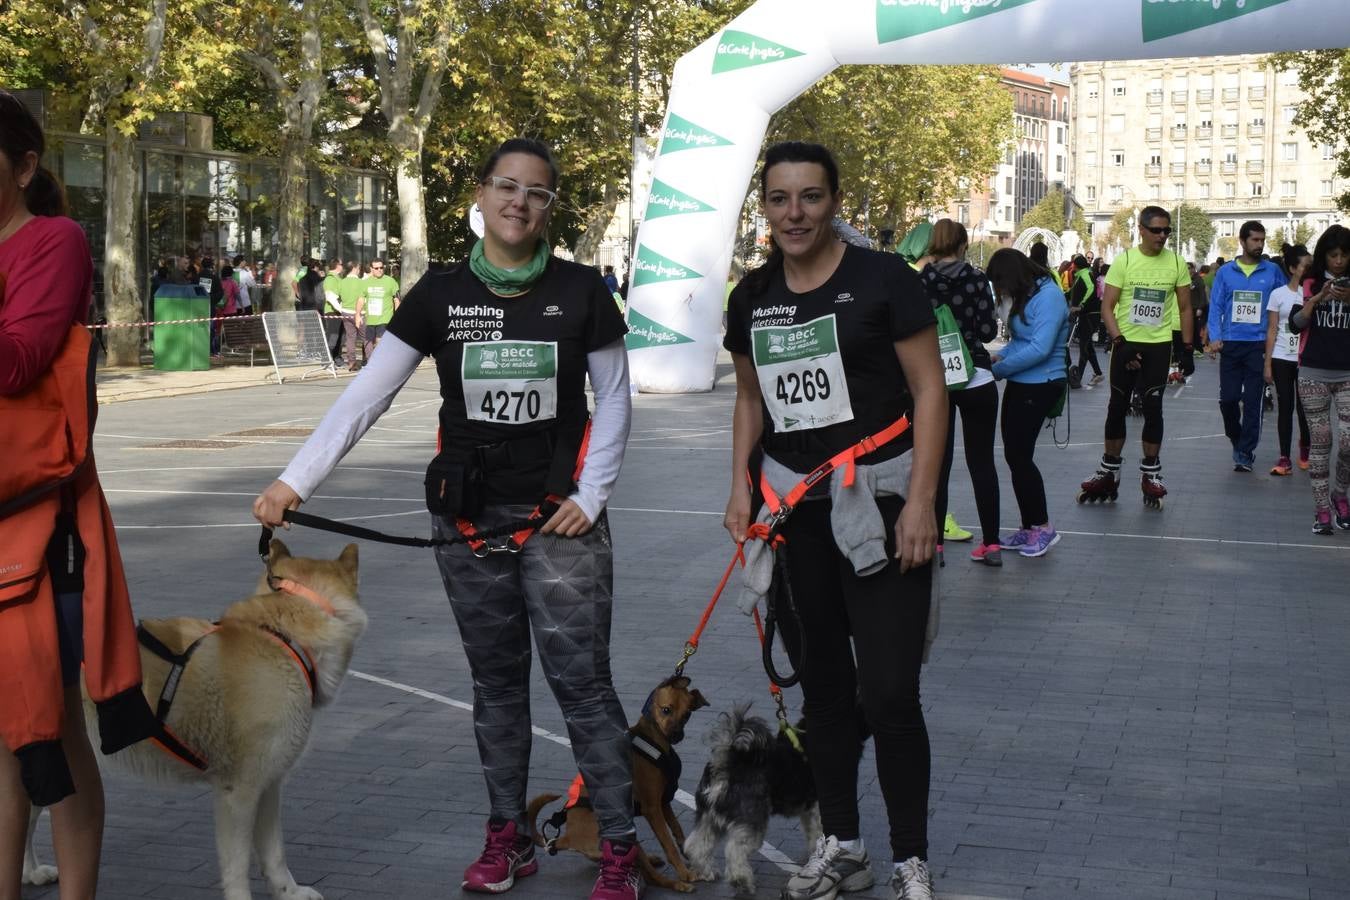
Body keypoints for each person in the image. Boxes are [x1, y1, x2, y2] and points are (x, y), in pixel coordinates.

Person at [252, 138, 643, 900]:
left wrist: (590, 496)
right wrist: (292, 481)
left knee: (582, 687)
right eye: (507, 186)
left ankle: (620, 846)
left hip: (559, 520)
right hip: (468, 526)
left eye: (536, 192)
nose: (520, 202)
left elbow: (618, 397)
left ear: (548, 206)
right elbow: (368, 395)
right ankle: (508, 838)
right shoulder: (438, 294)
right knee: (496, 686)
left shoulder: (582, 290)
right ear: (482, 192)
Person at [722, 141, 945, 900]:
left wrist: (921, 501)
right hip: (793, 514)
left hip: (881, 506)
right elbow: (750, 400)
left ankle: (911, 856)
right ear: (766, 207)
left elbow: (931, 391)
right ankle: (843, 845)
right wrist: (738, 492)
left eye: (810, 197)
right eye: (780, 199)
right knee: (822, 690)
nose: (795, 213)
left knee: (887, 692)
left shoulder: (884, 279)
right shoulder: (752, 297)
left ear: (834, 201)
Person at [0, 88, 157, 900]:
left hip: (38, 526)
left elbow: (20, 361)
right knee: (6, 734)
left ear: (24, 166)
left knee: (55, 730)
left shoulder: (52, 241)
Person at [1080, 206, 1192, 509]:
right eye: (1156, 230)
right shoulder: (1126, 260)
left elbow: (1184, 308)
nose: (1162, 236)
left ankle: (1151, 472)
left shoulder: (1177, 262)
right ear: (1141, 230)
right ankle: (1109, 470)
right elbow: (1108, 306)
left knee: (1153, 408)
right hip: (1126, 343)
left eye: (1166, 230)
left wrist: (1187, 347)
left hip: (1157, 346)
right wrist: (1120, 341)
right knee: (1117, 406)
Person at [920, 219, 1002, 567]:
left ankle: (935, 543)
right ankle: (992, 544)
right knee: (982, 462)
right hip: (978, 377)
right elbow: (986, 330)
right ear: (963, 244)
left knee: (937, 463)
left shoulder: (921, 281)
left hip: (935, 380)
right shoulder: (977, 278)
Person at [986, 249, 1070, 557]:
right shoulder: (1028, 294)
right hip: (1021, 382)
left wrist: (998, 369)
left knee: (1021, 456)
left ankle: (1043, 527)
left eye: (1001, 283)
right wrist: (998, 358)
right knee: (1014, 455)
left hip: (1042, 382)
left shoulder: (1048, 297)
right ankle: (1028, 527)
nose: (1000, 290)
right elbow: (1020, 342)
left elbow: (1040, 348)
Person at [1204, 221, 1285, 472]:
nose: (1259, 245)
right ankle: (1236, 438)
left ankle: (1245, 452)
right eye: (1254, 240)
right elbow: (1216, 306)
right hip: (1230, 345)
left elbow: (1284, 301)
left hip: (1258, 346)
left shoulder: (1272, 271)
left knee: (1253, 402)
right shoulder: (1226, 272)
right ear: (1242, 241)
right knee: (1228, 400)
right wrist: (1215, 337)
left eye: (1262, 240)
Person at [1288, 225, 1350, 534]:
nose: (1338, 261)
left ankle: (1340, 495)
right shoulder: (1310, 282)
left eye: (1344, 255)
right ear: (1324, 255)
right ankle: (1322, 510)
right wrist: (1318, 299)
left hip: (1348, 373)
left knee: (1349, 443)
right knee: (1321, 441)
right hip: (1313, 371)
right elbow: (1295, 324)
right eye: (1333, 255)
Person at [1265, 243, 1312, 476]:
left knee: (1306, 409)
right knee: (1285, 408)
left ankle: (1305, 450)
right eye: (1306, 266)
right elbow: (1272, 330)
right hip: (1282, 357)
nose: (1310, 269)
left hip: (1306, 360)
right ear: (1293, 268)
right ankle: (1284, 458)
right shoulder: (1277, 294)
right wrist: (1267, 364)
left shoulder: (1313, 294)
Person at [1068, 253, 1103, 387]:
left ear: (1076, 265)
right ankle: (1098, 373)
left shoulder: (1085, 274)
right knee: (1087, 346)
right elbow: (1072, 292)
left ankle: (1078, 377)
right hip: (1086, 316)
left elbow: (1091, 289)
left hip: (1089, 315)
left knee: (1084, 346)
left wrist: (1080, 306)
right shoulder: (1082, 275)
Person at [354, 258, 398, 353]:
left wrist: (397, 316)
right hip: (370, 319)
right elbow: (361, 299)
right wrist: (357, 315)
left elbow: (396, 299)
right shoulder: (365, 282)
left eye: (381, 267)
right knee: (369, 343)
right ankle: (372, 363)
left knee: (380, 342)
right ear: (371, 269)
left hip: (385, 318)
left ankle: (381, 364)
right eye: (376, 268)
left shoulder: (390, 281)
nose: (379, 270)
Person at [336, 259, 365, 371]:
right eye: (358, 268)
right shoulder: (361, 282)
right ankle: (368, 360)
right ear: (354, 268)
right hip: (360, 313)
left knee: (350, 338)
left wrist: (342, 308)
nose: (359, 270)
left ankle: (351, 362)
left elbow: (338, 296)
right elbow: (364, 298)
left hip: (346, 312)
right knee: (366, 338)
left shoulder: (341, 282)